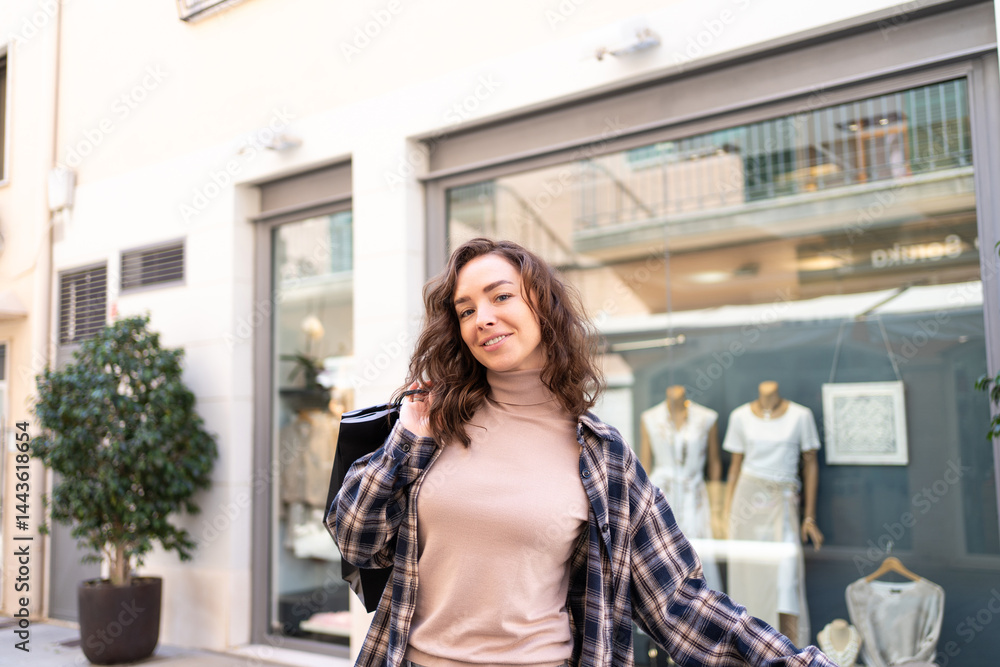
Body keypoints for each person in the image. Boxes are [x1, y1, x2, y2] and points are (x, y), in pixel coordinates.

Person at [331, 238, 836, 667]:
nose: (482, 318)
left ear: (543, 307)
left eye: (500, 296)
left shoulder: (601, 456)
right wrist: (406, 443)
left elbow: (676, 602)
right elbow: (356, 540)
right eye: (466, 310)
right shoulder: (433, 423)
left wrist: (793, 662)